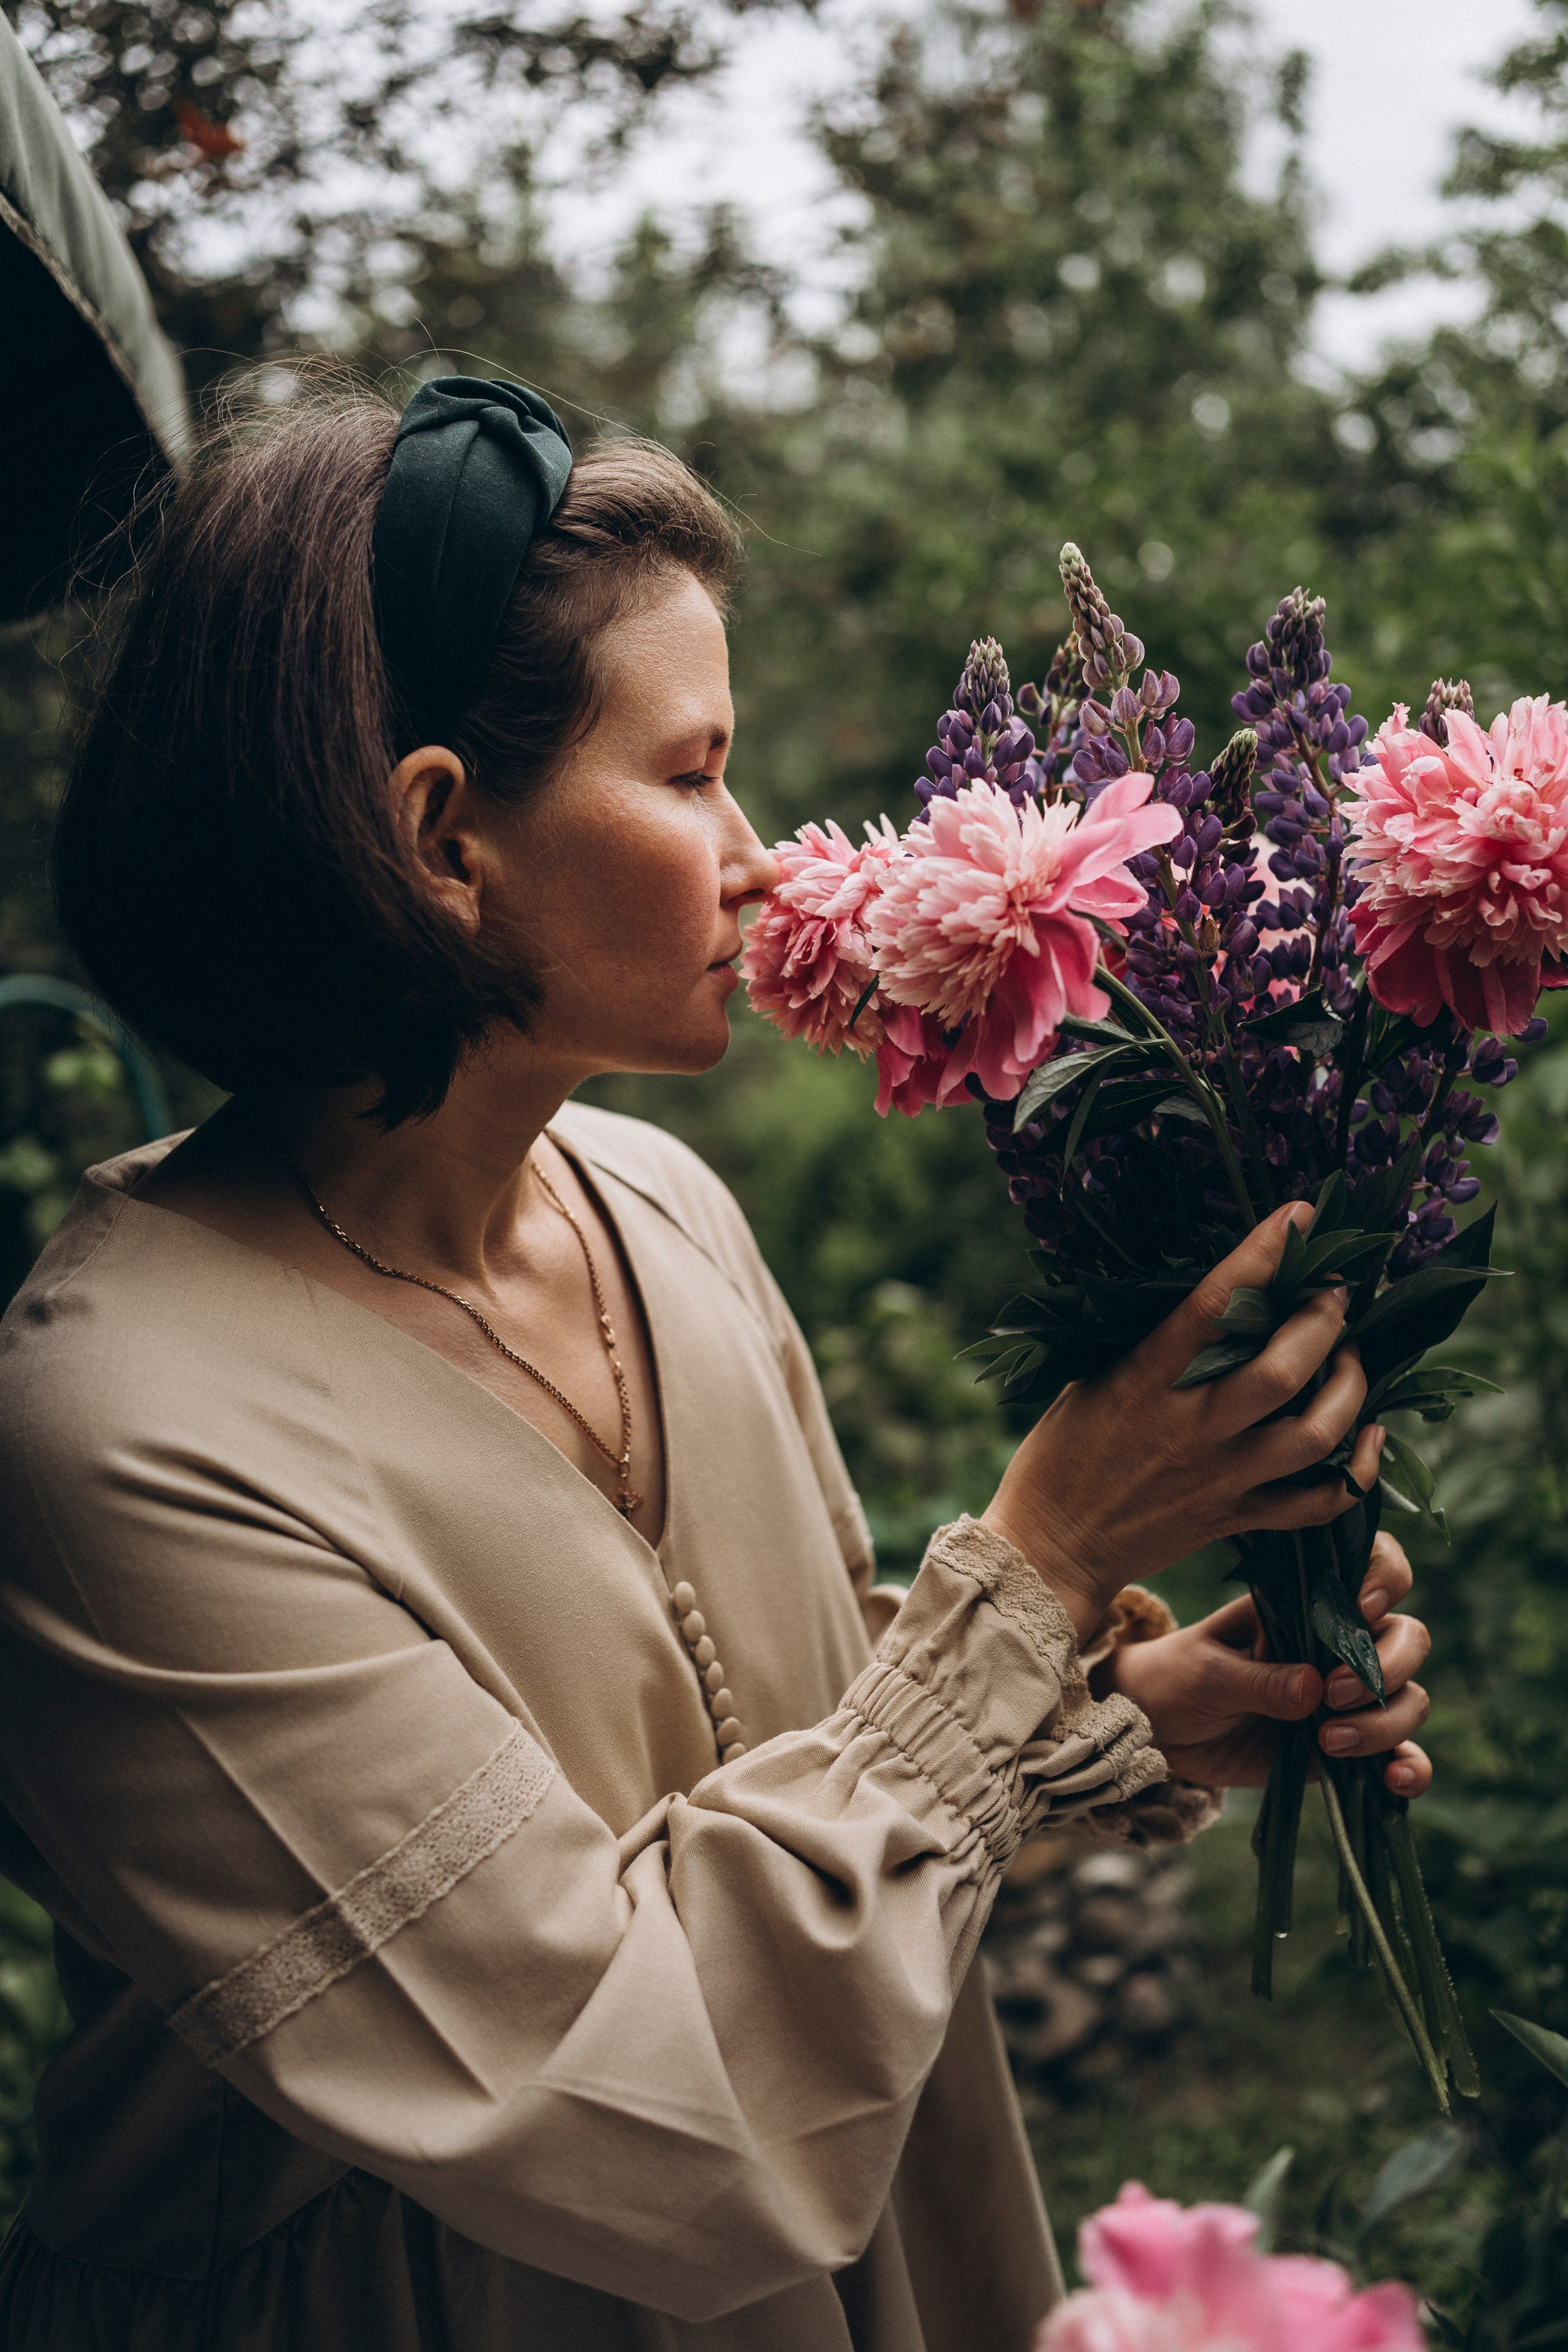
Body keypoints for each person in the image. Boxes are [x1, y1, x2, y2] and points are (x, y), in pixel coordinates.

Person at [0, 378, 1433, 2352]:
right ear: (439, 837)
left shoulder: (650, 1205)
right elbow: (639, 2100)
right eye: (690, 777)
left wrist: (1122, 1717)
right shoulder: (120, 1432)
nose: (759, 855)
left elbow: (775, 1750)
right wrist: (1031, 1553)